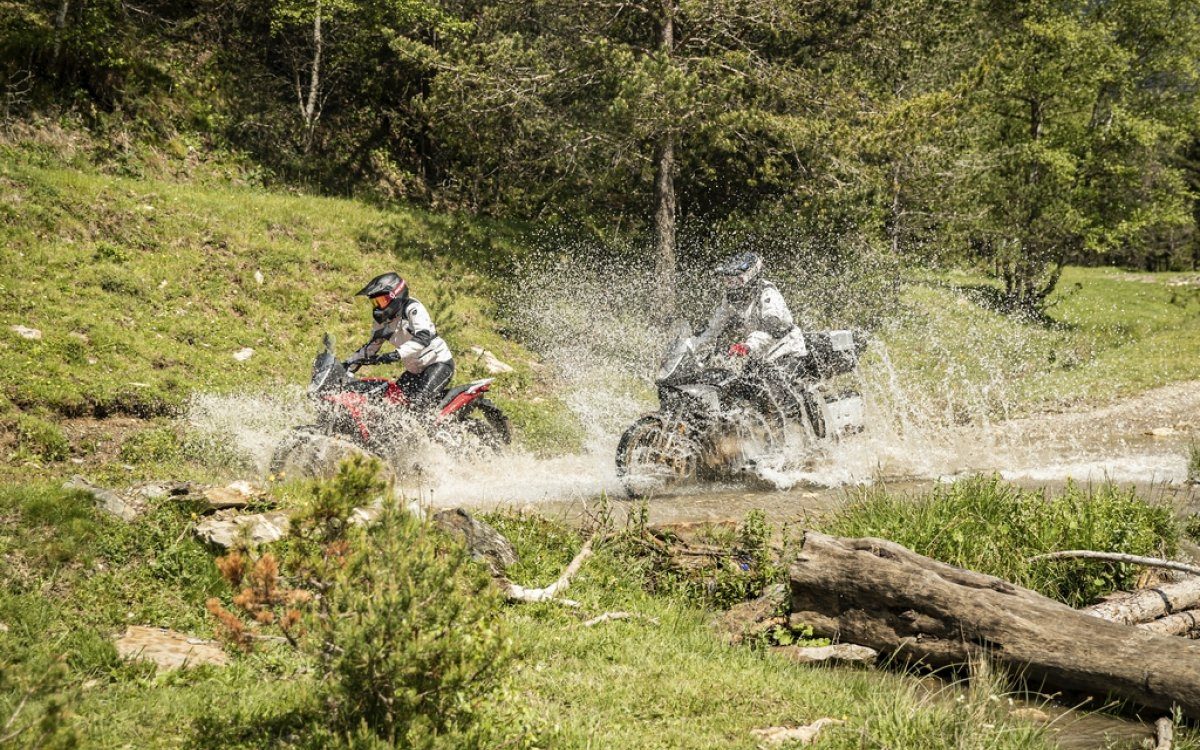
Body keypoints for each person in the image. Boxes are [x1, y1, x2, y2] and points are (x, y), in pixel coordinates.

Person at [343, 272, 454, 408]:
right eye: (375, 302)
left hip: (438, 363)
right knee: (392, 402)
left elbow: (423, 337)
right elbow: (370, 348)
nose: (378, 307)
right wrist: (347, 365)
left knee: (416, 404)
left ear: (395, 295)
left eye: (381, 301)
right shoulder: (382, 322)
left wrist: (396, 354)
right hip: (414, 370)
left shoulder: (412, 308)